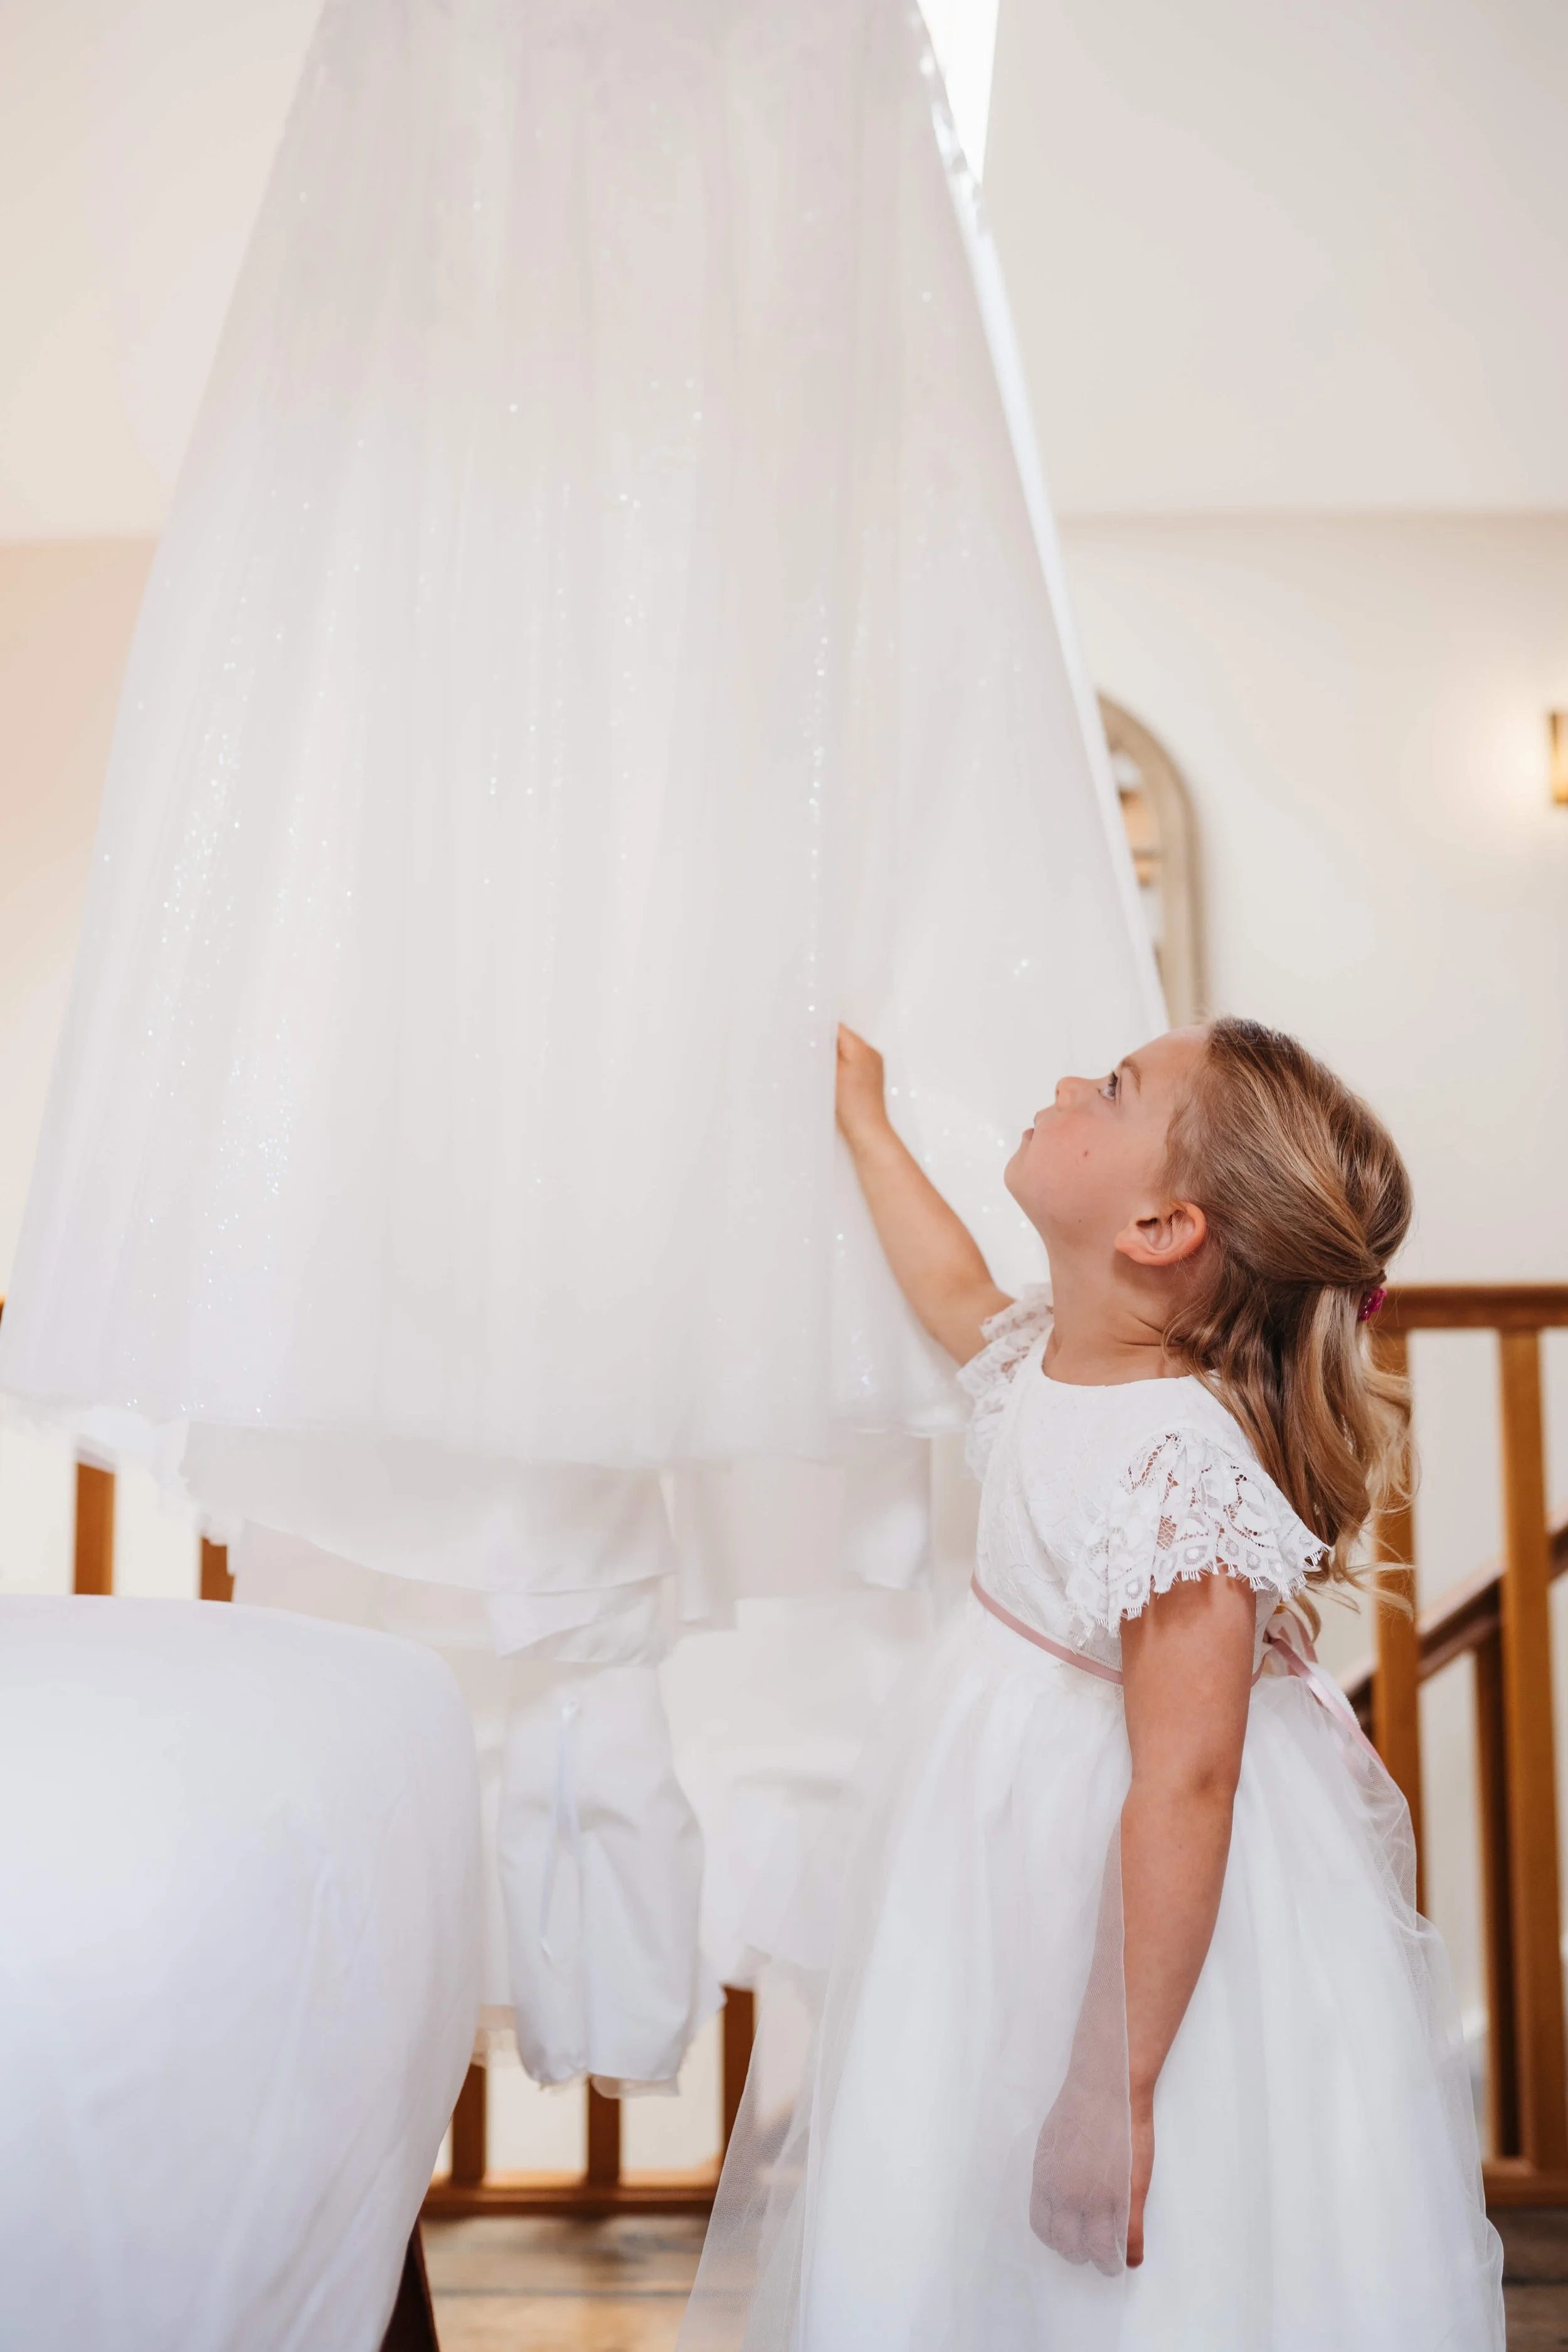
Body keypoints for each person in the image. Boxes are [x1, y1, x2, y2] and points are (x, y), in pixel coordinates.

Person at [679, 1017, 1504, 2351]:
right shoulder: (1054, 1363)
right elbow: (950, 1293)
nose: (1069, 1081)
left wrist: (1108, 2092)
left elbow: (1184, 1780)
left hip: (1130, 1895)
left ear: (1161, 1225)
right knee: (955, 2153)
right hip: (1015, 1834)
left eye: (1111, 1089)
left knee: (1132, 2247)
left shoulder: (1173, 1466)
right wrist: (862, 1120)